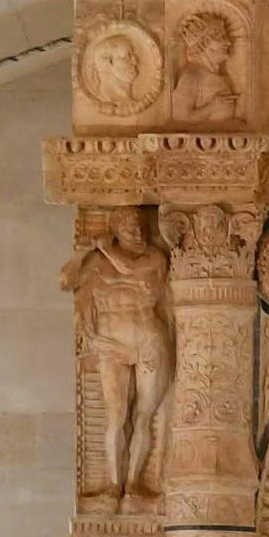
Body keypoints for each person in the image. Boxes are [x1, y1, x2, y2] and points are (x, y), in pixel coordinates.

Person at [59, 208, 173, 505]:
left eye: (139, 227)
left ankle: (135, 483)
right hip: (110, 344)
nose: (138, 233)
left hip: (148, 339)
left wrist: (104, 248)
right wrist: (81, 254)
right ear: (117, 230)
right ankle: (113, 484)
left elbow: (130, 271)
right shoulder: (97, 262)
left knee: (144, 415)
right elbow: (65, 281)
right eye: (129, 228)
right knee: (115, 417)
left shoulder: (153, 258)